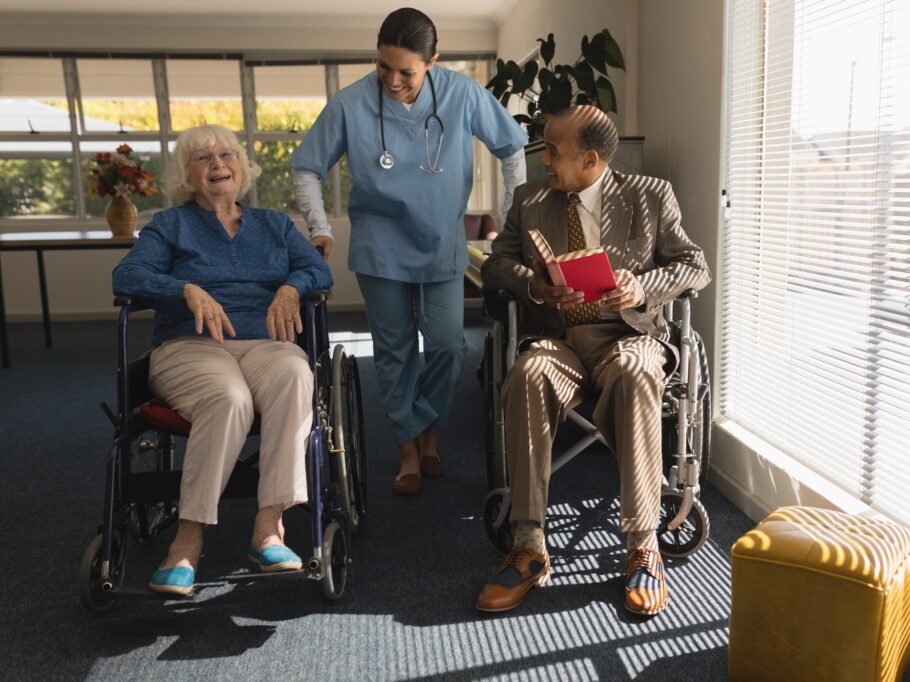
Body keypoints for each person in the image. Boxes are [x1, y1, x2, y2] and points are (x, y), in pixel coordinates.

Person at [476, 106, 711, 616]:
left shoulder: (650, 194)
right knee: (527, 372)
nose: (544, 163)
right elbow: (497, 265)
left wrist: (641, 286)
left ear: (589, 158)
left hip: (625, 336)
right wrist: (532, 285)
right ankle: (530, 545)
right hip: (558, 339)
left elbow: (696, 265)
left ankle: (642, 544)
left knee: (635, 369)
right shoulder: (530, 199)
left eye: (553, 152)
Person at [290, 7, 528, 496]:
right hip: (380, 243)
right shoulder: (351, 103)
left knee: (448, 346)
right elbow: (307, 166)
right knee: (395, 352)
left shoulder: (462, 94)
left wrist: (511, 218)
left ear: (433, 61)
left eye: (406, 71)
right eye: (383, 66)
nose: (392, 80)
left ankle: (425, 426)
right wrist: (319, 226)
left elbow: (512, 148)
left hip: (441, 239)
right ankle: (410, 448)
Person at [113, 124, 333, 596]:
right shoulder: (170, 225)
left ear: (242, 167)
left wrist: (292, 286)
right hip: (190, 345)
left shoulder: (274, 224)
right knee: (228, 397)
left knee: (297, 374)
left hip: (264, 342)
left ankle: (269, 529)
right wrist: (184, 288)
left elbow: (318, 268)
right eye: (203, 158)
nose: (218, 164)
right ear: (186, 175)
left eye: (227, 154)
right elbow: (127, 274)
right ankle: (187, 540)